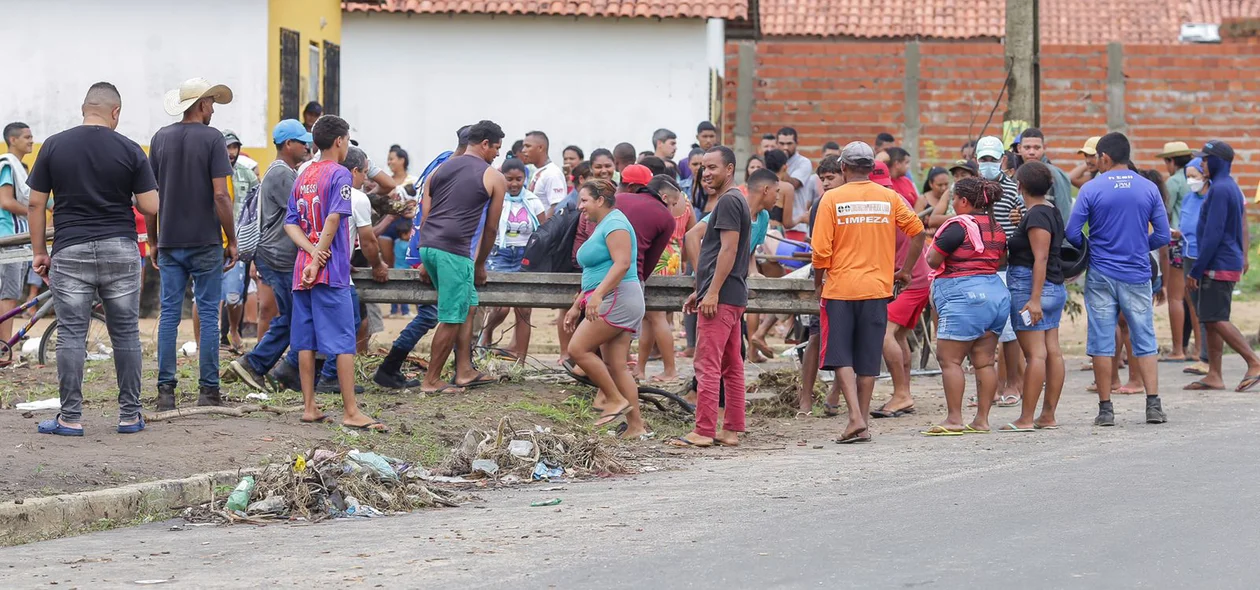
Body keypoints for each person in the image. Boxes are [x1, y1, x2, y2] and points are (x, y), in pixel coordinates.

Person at [26, 82, 156, 436]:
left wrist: (40, 251)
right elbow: (150, 206)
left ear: (85, 108)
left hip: (70, 249)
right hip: (120, 248)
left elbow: (36, 203)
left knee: (71, 334)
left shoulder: (53, 145)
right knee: (126, 332)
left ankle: (70, 418)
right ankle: (130, 416)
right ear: (115, 112)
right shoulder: (130, 148)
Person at [810, 141, 924, 444]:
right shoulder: (889, 197)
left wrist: (818, 284)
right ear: (871, 168)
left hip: (840, 289)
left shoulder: (831, 199)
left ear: (844, 168)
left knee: (841, 354)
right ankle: (860, 422)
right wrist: (907, 270)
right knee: (868, 357)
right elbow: (919, 232)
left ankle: (855, 419)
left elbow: (821, 251)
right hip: (877, 288)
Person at [282, 115, 385, 432]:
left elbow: (290, 223)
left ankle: (309, 406)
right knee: (343, 342)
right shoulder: (339, 174)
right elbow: (334, 219)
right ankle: (351, 410)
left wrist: (309, 254)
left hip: (302, 272)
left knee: (306, 341)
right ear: (340, 141)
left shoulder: (303, 174)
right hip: (331, 271)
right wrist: (319, 258)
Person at [1066, 132, 1170, 427]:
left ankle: (1105, 409)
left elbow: (1073, 233)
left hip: (1100, 273)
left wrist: (1094, 245)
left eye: (1097, 157)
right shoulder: (1149, 188)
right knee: (1143, 336)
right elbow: (1162, 236)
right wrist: (1137, 244)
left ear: (1105, 158)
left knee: (1101, 339)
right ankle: (1153, 405)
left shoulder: (1090, 189)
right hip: (1137, 273)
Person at [149, 77, 236, 411]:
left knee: (169, 314)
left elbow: (150, 198)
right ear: (201, 105)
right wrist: (231, 240)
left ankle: (165, 393)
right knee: (210, 313)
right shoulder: (213, 139)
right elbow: (220, 195)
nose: (213, 108)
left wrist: (154, 241)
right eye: (211, 103)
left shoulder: (160, 138)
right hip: (205, 241)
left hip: (170, 242)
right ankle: (208, 391)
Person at [373, 127, 471, 389]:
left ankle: (459, 367)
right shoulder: (454, 169)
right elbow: (430, 213)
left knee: (443, 311)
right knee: (433, 313)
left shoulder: (441, 162)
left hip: (423, 244)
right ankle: (391, 367)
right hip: (430, 246)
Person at [669, 146, 751, 448]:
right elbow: (715, 250)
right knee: (731, 364)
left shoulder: (729, 201)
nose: (706, 173)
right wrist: (701, 290)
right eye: (703, 167)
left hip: (724, 295)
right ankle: (730, 430)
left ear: (729, 169)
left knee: (707, 364)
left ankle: (703, 430)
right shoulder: (734, 199)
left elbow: (728, 250)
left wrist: (713, 292)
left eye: (713, 167)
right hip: (729, 294)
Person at [417, 120, 507, 394]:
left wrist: (425, 253)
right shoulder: (493, 176)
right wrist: (480, 264)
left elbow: (426, 210)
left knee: (467, 306)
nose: (497, 154)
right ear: (484, 144)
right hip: (454, 251)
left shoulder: (441, 168)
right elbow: (491, 228)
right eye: (496, 148)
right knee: (453, 316)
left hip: (430, 246)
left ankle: (465, 370)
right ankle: (431, 381)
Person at [226, 120, 311, 392]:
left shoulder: (281, 171)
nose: (306, 147)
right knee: (293, 317)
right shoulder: (283, 174)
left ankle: (268, 366)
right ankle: (256, 364)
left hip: (276, 255)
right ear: (289, 145)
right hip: (279, 256)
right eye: (302, 142)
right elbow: (303, 215)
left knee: (291, 316)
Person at [922, 177, 1008, 436]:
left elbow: (933, 258)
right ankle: (981, 420)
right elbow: (1000, 259)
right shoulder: (996, 226)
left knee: (950, 360)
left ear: (963, 201)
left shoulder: (958, 225)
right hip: (995, 295)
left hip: (963, 296)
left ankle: (954, 419)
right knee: (984, 361)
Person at [563, 179, 645, 432]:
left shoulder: (615, 224)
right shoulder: (604, 225)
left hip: (617, 297)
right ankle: (636, 426)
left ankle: (614, 399)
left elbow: (621, 264)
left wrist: (597, 296)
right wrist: (578, 303)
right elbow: (598, 271)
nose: (580, 206)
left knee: (577, 349)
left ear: (600, 200)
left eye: (585, 200)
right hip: (615, 296)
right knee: (617, 366)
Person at [1186, 140, 1260, 393]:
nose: (1202, 163)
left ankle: (1254, 361)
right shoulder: (1228, 187)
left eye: (1206, 160)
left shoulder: (1220, 190)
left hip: (1218, 264)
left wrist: (1196, 269)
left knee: (1215, 318)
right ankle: (1214, 374)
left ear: (1218, 161)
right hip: (1223, 261)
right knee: (1209, 318)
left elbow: (1213, 234)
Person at [1000, 161, 1067, 432]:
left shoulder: (1037, 215)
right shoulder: (1049, 210)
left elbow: (1040, 257)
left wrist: (1034, 298)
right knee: (1051, 351)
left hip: (1033, 287)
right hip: (1053, 286)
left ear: (1020, 186)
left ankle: (1026, 417)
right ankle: (1047, 415)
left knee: (1035, 354)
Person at [869, 159, 932, 420]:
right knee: (899, 336)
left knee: (884, 334)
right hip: (916, 278)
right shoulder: (895, 198)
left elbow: (917, 233)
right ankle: (903, 393)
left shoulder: (884, 203)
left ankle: (902, 394)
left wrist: (905, 270)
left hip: (911, 280)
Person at [610, 166, 676, 387]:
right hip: (631, 274)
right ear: (664, 197)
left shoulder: (618, 200)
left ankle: (603, 374)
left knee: (599, 328)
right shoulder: (665, 216)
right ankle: (620, 382)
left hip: (599, 270)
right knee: (625, 332)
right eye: (673, 203)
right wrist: (640, 279)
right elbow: (652, 258)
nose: (673, 208)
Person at [478, 159, 546, 361]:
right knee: (500, 306)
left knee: (524, 309)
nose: (514, 184)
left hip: (525, 257)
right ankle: (486, 334)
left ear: (525, 178)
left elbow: (543, 233)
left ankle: (521, 360)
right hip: (500, 255)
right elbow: (486, 229)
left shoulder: (533, 201)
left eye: (519, 179)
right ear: (502, 178)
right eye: (509, 179)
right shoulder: (495, 199)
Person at [975, 135, 1024, 407]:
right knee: (982, 331)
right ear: (976, 160)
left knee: (1008, 331)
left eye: (993, 159)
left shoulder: (1014, 190)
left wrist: (1020, 219)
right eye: (984, 159)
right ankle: (987, 388)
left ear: (1002, 160)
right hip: (977, 266)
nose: (988, 164)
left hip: (1005, 266)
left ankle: (1012, 384)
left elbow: (1025, 221)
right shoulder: (970, 188)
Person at [796, 156, 844, 416]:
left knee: (848, 339)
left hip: (850, 278)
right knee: (814, 335)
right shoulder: (819, 206)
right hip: (825, 276)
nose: (826, 183)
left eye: (831, 177)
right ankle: (806, 396)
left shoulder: (852, 204)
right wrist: (819, 279)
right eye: (823, 178)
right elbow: (818, 247)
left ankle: (836, 392)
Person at [220, 129, 259, 352]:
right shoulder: (209, 172)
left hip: (241, 242)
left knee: (236, 294)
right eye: (227, 147)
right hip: (215, 240)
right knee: (206, 295)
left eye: (234, 147)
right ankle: (211, 339)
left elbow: (256, 209)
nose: (231, 152)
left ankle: (233, 330)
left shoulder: (247, 175)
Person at [1157, 141, 1196, 362]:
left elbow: (1164, 211)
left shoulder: (1173, 182)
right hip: (1193, 242)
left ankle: (1177, 349)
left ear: (1172, 161)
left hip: (1176, 241)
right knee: (1193, 299)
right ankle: (1198, 348)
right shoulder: (1198, 180)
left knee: (1175, 298)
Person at [0, 122, 33, 343]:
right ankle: (3, 347)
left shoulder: (21, 168)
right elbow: (6, 201)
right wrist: (34, 214)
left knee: (10, 293)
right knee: (9, 294)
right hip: (9, 236)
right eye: (27, 137)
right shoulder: (7, 165)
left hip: (19, 238)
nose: (31, 140)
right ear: (13, 140)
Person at [1179, 158, 1212, 378]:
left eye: (1195, 176)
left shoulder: (1213, 197)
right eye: (1188, 176)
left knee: (1209, 309)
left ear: (1205, 175)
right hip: (1187, 254)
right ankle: (1204, 357)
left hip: (1205, 258)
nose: (1191, 180)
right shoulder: (1189, 198)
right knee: (1197, 307)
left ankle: (1209, 358)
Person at [1016, 128, 1074, 223]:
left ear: (1044, 148)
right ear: (1019, 148)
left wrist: (1060, 236)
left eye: (1037, 148)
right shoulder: (1017, 174)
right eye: (1027, 147)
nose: (1031, 152)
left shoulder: (1054, 174)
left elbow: (1064, 212)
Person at [776, 127, 815, 242]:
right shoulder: (772, 159)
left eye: (789, 143)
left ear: (797, 143)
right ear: (776, 143)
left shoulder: (804, 163)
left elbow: (794, 184)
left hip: (796, 225)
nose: (785, 148)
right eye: (782, 143)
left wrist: (781, 165)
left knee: (792, 259)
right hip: (773, 225)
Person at [521, 131, 568, 215]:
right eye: (523, 146)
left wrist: (544, 228)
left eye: (528, 146)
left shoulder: (552, 174)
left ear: (540, 148)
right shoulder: (539, 171)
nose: (523, 150)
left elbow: (557, 207)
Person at [679, 121, 719, 187]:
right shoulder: (684, 163)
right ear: (697, 137)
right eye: (704, 136)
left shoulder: (720, 161)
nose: (708, 140)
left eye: (711, 136)